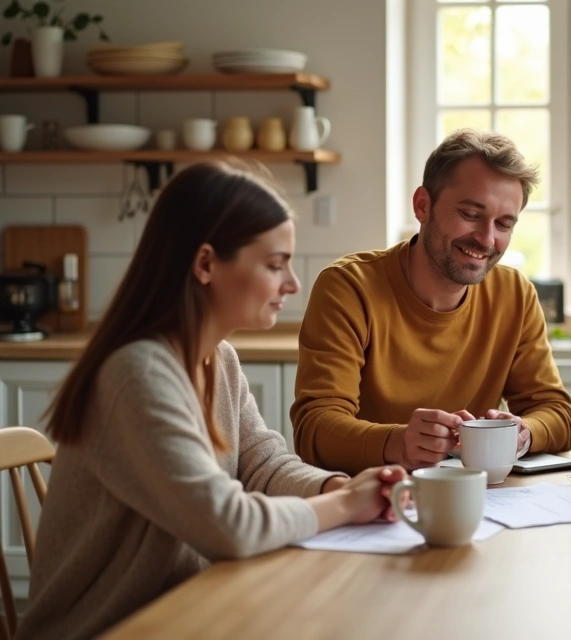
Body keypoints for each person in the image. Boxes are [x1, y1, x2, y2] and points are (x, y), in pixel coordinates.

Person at [16, 161, 407, 640]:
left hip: (186, 612)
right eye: (274, 263)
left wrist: (335, 488)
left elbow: (263, 465)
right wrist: (346, 507)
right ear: (205, 264)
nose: (292, 284)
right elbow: (229, 525)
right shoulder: (135, 374)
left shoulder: (216, 359)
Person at [292, 129, 571, 475]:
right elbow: (314, 429)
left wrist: (524, 434)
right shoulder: (349, 287)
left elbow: (556, 413)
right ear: (423, 205)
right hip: (369, 499)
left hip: (480, 500)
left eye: (503, 223)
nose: (487, 239)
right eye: (471, 214)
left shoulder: (515, 294)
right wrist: (397, 443)